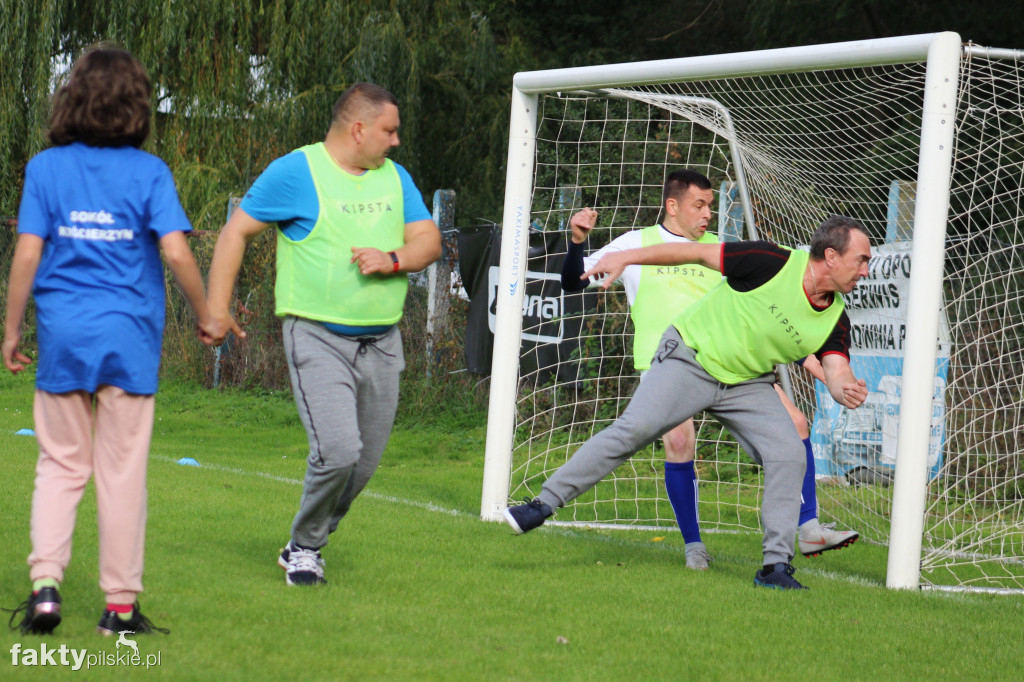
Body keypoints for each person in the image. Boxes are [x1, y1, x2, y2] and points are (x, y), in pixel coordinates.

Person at [506, 214, 871, 589]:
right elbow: (690, 254)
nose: (865, 270)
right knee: (636, 429)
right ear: (830, 256)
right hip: (690, 359)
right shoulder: (771, 261)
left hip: (747, 384)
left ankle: (775, 567)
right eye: (861, 260)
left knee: (789, 453)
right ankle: (543, 504)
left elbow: (836, 369)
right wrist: (627, 257)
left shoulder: (836, 319)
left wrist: (843, 389)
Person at [2, 46, 215, 635]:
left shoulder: (45, 169)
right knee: (121, 473)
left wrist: (12, 329)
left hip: (65, 336)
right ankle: (119, 609)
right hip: (129, 338)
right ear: (137, 106)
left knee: (60, 465)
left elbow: (27, 254)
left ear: (71, 100)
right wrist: (207, 314)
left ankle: (45, 589)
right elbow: (175, 249)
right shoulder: (149, 173)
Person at [205, 82, 441, 586]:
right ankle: (307, 549)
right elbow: (236, 232)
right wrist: (218, 307)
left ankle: (305, 539)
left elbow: (429, 240)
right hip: (316, 336)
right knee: (338, 450)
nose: (396, 141)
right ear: (358, 129)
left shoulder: (395, 178)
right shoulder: (296, 171)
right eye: (389, 130)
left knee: (361, 466)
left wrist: (393, 259)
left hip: (383, 341)